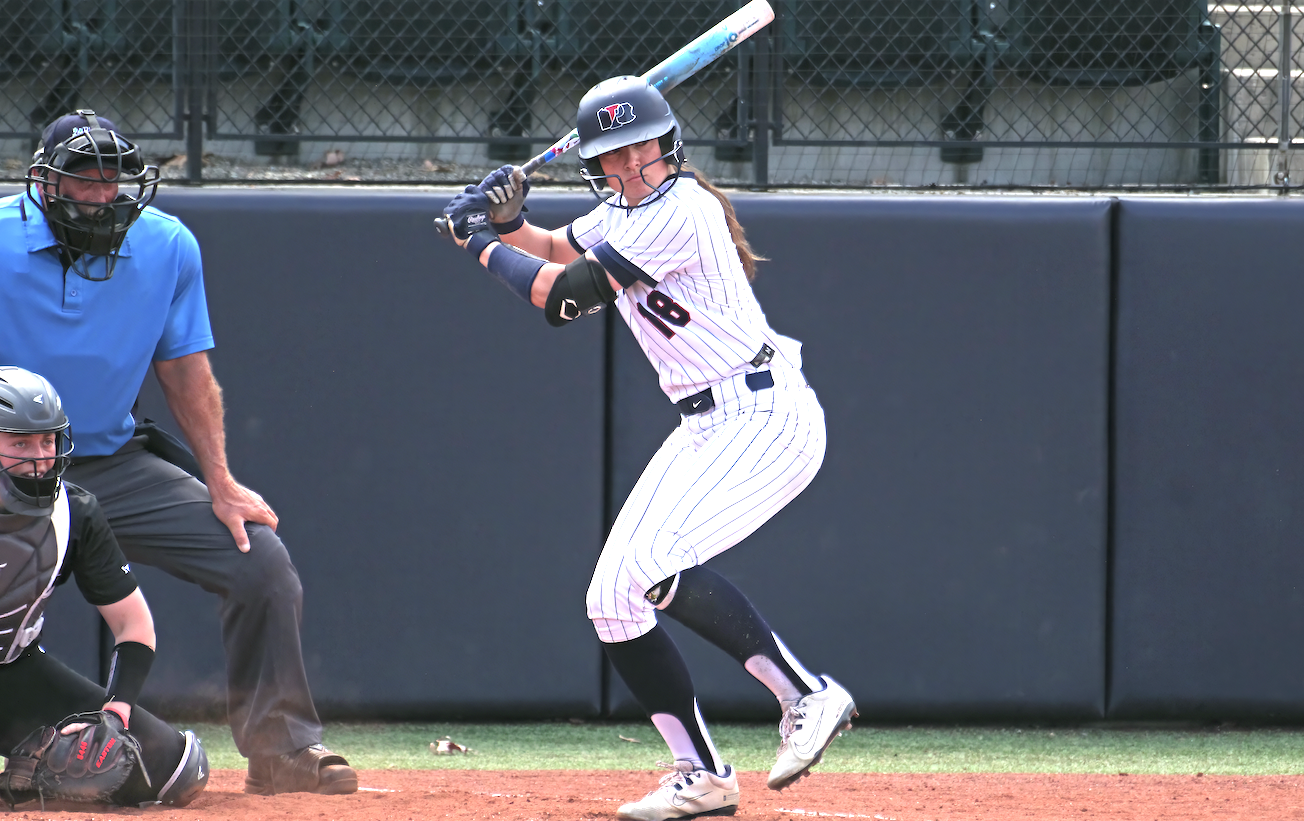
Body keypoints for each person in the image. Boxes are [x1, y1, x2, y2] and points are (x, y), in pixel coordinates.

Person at [442, 75, 857, 821]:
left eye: (642, 148)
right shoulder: (619, 213)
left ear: (669, 145)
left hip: (764, 413)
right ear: (596, 166)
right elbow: (553, 248)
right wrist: (508, 221)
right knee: (611, 599)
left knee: (654, 563)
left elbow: (563, 296)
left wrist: (477, 241)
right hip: (706, 424)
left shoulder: (683, 210)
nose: (632, 164)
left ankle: (805, 694)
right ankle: (702, 775)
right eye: (615, 155)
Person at [0, 110, 356, 796]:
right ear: (44, 183)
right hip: (9, 469)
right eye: (84, 180)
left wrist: (221, 482)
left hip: (111, 463)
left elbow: (186, 371)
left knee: (258, 561)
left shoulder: (166, 245)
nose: (101, 194)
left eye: (113, 180)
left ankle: (282, 749)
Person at [0, 367, 207, 808]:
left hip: (10, 669)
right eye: (20, 443)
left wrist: (113, 715)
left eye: (48, 441)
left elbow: (134, 626)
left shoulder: (73, 512)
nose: (40, 458)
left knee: (168, 767)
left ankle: (20, 783)